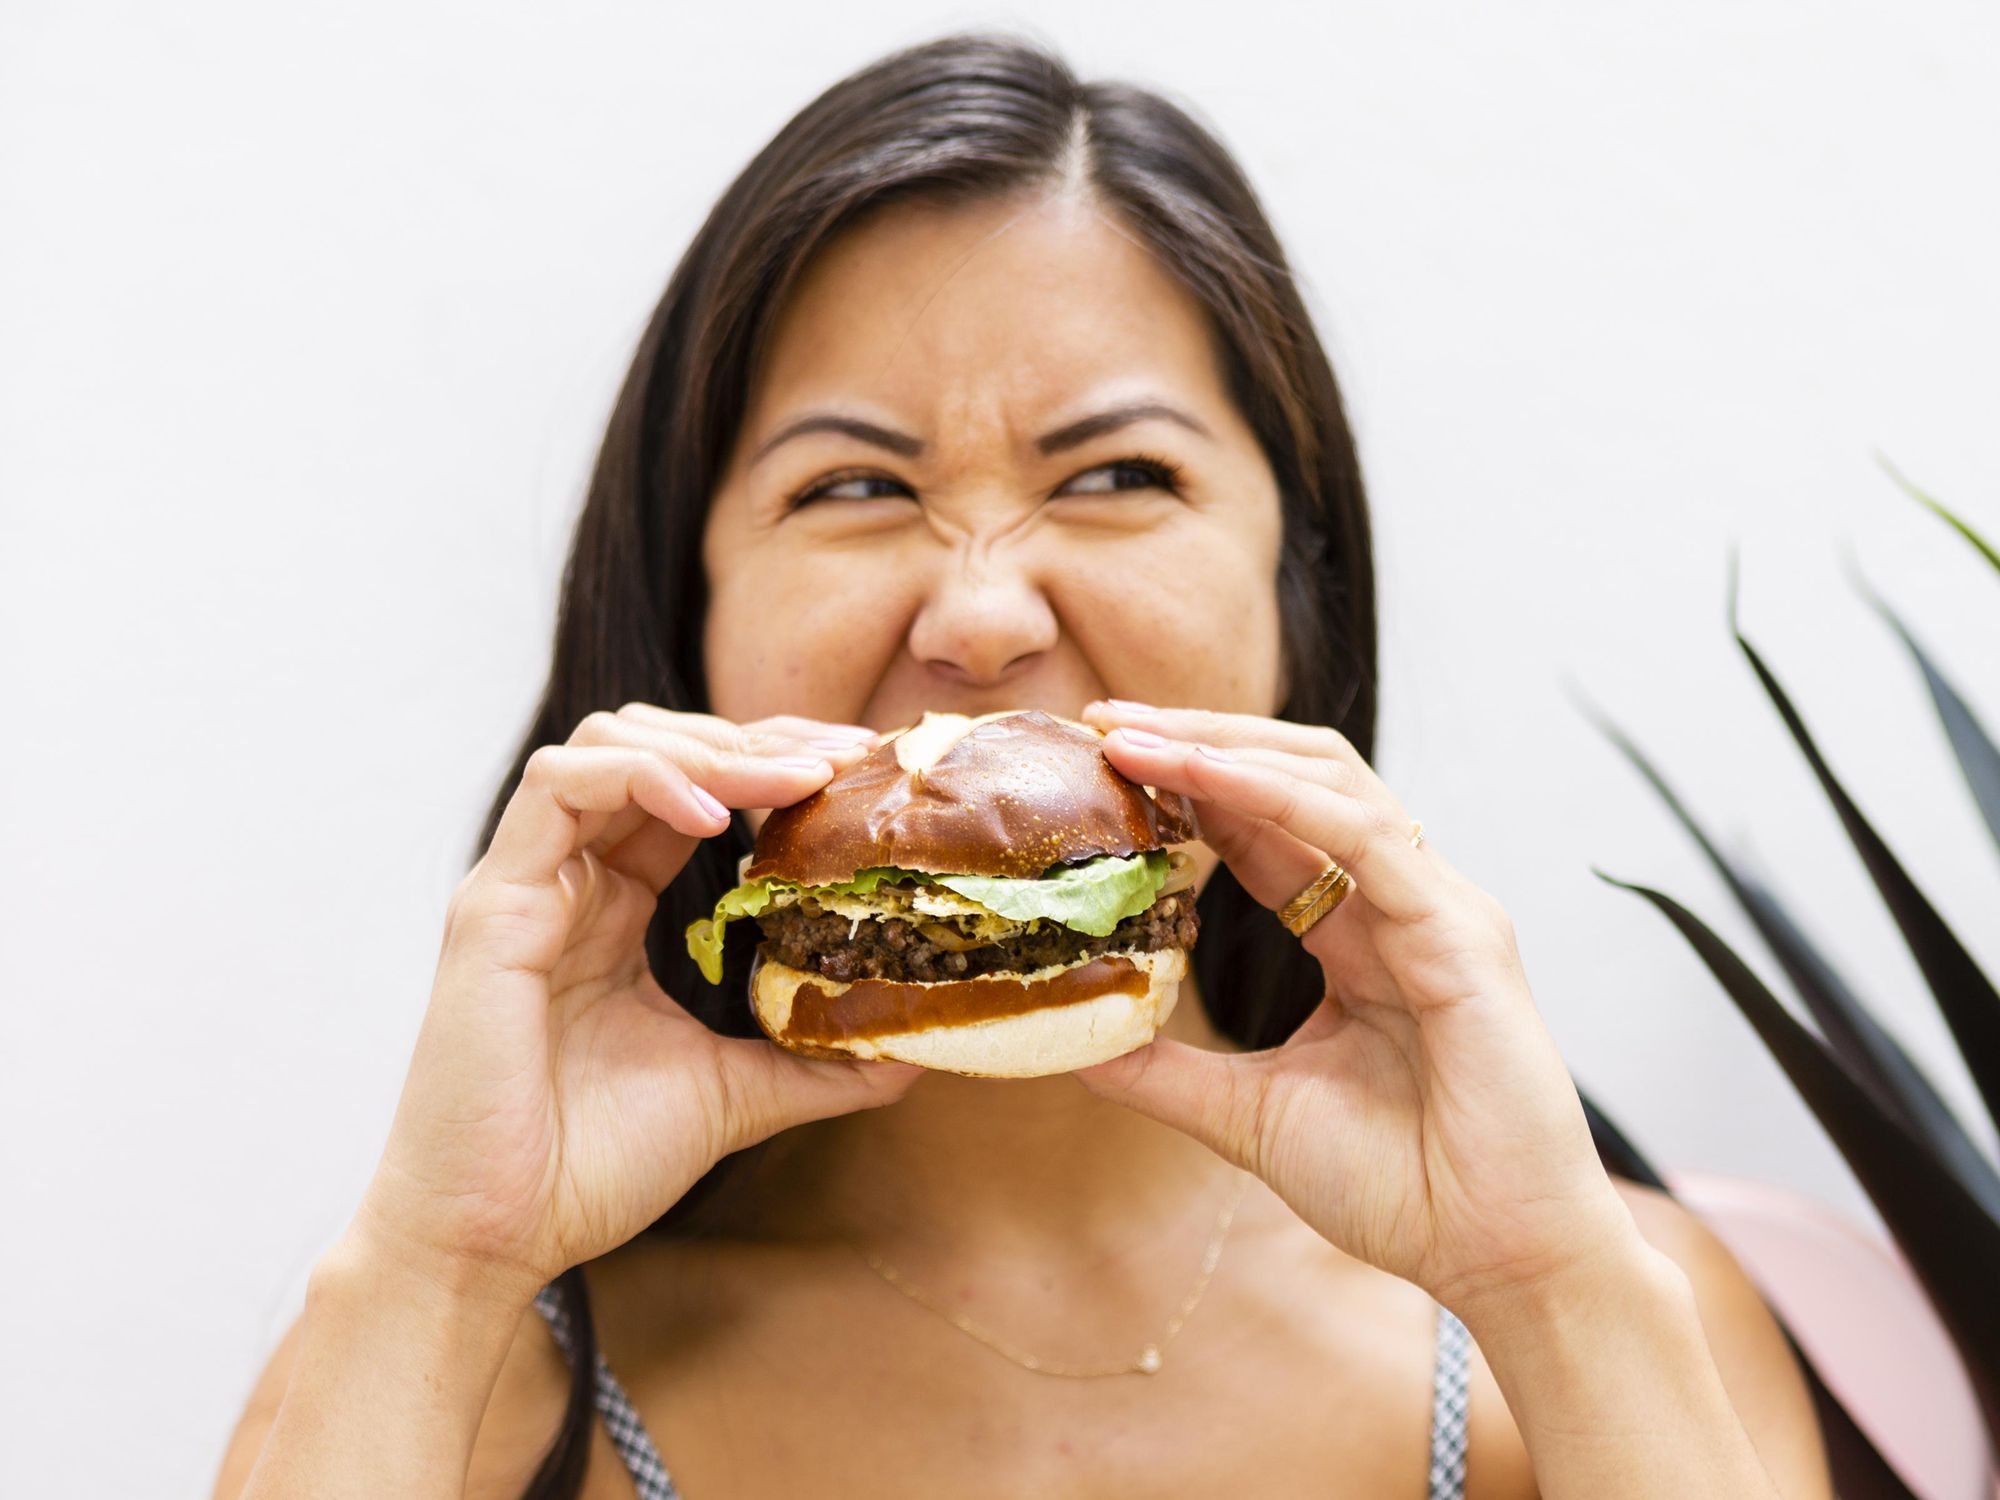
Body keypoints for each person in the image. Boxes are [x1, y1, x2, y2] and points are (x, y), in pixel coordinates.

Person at [214, 31, 1832, 1500]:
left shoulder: (1598, 1322)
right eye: (851, 487)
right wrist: (441, 1261)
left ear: (1298, 588)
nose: (981, 616)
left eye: (1121, 473)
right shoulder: (470, 1387)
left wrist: (1551, 1283)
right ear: (683, 612)